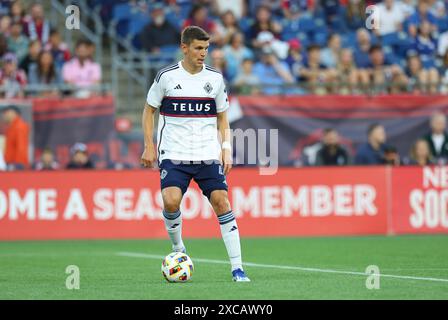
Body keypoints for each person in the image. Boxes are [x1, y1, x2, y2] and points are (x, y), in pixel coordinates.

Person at [141, 26, 250, 282]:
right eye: (199, 48)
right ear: (185, 47)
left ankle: (238, 268)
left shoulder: (214, 78)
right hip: (174, 153)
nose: (203, 53)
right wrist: (148, 144)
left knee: (222, 201)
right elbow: (148, 111)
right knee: (170, 201)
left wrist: (226, 149)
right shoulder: (166, 77)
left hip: (207, 153)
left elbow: (223, 117)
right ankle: (179, 248)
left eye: (206, 49)